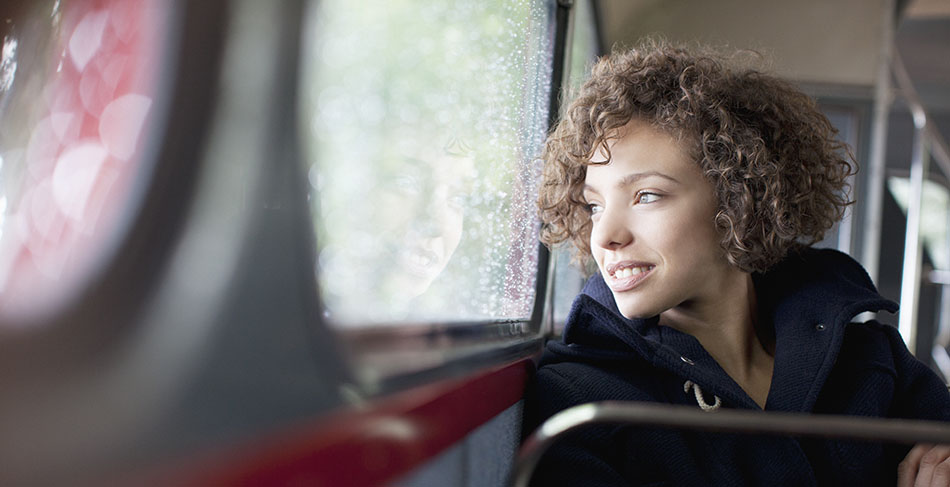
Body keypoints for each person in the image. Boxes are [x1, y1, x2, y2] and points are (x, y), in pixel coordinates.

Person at [524, 38, 950, 486]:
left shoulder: (873, 360)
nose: (605, 236)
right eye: (593, 206)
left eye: (646, 195)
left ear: (739, 198)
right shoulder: (580, 404)